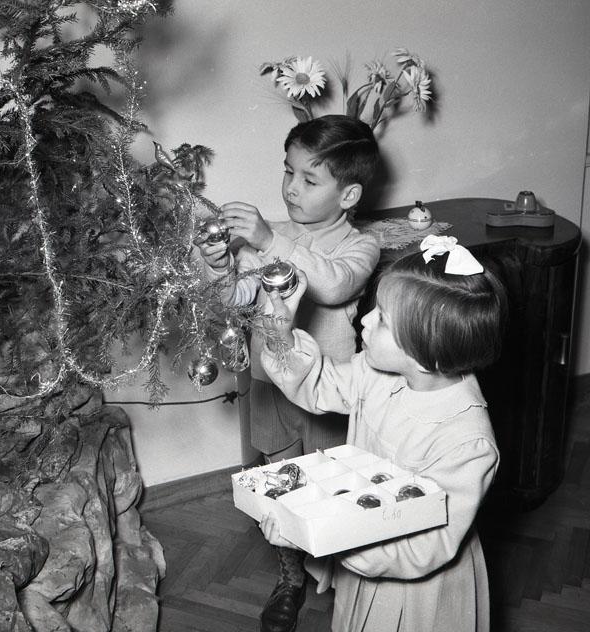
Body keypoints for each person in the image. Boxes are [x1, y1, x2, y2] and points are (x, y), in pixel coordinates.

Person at [258, 235, 508, 632]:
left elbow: (422, 547)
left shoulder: (467, 442)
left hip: (418, 588)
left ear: (427, 354)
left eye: (383, 320)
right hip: (364, 556)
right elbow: (319, 384)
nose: (365, 320)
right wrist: (282, 335)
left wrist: (319, 535)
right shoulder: (378, 372)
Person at [195, 114, 381, 632]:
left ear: (348, 195)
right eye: (288, 171)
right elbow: (233, 301)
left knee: (333, 485)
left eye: (309, 179)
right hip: (270, 389)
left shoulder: (360, 245)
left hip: (327, 393)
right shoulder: (270, 239)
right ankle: (291, 575)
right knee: (283, 483)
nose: (292, 188)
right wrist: (218, 265)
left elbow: (333, 285)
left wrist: (268, 240)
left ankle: (349, 572)